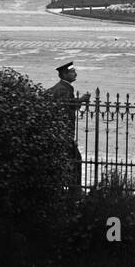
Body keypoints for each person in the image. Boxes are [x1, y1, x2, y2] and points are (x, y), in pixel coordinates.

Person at [46, 61, 90, 192]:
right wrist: (81, 100)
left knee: (68, 160)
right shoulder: (63, 89)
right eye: (72, 71)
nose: (75, 73)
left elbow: (69, 105)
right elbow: (67, 106)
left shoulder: (61, 88)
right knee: (75, 160)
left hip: (59, 132)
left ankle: (67, 189)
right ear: (64, 74)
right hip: (63, 132)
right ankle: (75, 191)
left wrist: (79, 101)